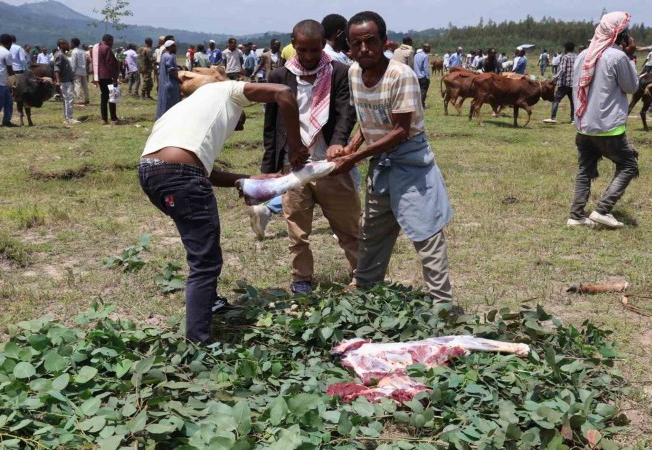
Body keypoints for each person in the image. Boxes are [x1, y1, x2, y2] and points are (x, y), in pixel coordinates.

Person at [138, 78, 308, 345]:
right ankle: (198, 343)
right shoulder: (228, 90)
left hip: (151, 174)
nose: (240, 126)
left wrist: (248, 178)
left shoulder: (186, 111)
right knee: (205, 263)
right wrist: (296, 146)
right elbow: (284, 93)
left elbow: (196, 168)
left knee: (200, 247)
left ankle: (211, 303)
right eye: (242, 119)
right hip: (181, 177)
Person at [328, 11, 456, 312]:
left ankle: (442, 304)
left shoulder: (401, 75)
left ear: (384, 42)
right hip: (379, 163)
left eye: (370, 41)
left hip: (410, 162)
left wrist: (355, 157)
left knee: (425, 232)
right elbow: (367, 118)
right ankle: (365, 289)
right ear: (349, 46)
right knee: (372, 232)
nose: (363, 49)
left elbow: (399, 131)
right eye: (356, 44)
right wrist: (351, 147)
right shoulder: (354, 73)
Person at [251, 19, 359, 293]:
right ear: (293, 45)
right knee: (297, 231)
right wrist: (269, 167)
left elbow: (346, 113)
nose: (309, 56)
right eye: (302, 50)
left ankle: (363, 276)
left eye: (314, 49)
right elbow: (271, 126)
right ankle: (301, 279)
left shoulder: (340, 72)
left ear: (323, 44)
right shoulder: (279, 77)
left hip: (330, 165)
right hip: (295, 166)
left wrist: (338, 142)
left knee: (349, 229)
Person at [568, 11, 639, 229]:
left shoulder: (583, 55)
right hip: (608, 126)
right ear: (620, 35)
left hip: (584, 125)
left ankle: (576, 216)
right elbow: (631, 86)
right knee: (628, 165)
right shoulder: (617, 57)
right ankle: (602, 210)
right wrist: (630, 57)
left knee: (585, 170)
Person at [544, 42, 576, 124]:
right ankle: (573, 119)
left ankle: (553, 117)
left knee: (556, 100)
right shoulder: (576, 57)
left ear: (566, 48)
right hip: (574, 84)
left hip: (564, 83)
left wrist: (555, 78)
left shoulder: (565, 57)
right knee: (573, 102)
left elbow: (562, 69)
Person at [95, 34, 120, 125]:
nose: (112, 43)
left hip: (99, 76)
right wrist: (115, 78)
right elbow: (110, 64)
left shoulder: (96, 48)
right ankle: (113, 118)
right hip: (108, 76)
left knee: (104, 97)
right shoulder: (107, 49)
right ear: (108, 40)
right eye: (112, 41)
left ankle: (104, 119)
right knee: (112, 97)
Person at [53, 39, 78, 125]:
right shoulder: (60, 55)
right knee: (68, 99)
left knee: (67, 99)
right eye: (66, 44)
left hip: (67, 80)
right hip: (64, 81)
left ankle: (67, 117)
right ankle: (69, 118)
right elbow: (56, 68)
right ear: (61, 45)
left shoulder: (63, 55)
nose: (68, 46)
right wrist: (58, 81)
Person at [156, 40, 180, 119]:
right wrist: (179, 80)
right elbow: (171, 72)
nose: (175, 48)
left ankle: (161, 117)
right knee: (171, 104)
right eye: (174, 46)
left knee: (163, 102)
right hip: (170, 83)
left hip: (163, 82)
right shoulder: (170, 57)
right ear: (170, 47)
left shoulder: (164, 56)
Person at [70, 38, 90, 105]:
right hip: (83, 70)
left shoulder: (74, 52)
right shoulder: (82, 51)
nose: (70, 44)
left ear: (73, 43)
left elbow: (73, 63)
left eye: (71, 43)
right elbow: (85, 61)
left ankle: (80, 99)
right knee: (85, 85)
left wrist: (72, 71)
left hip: (77, 71)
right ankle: (87, 99)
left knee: (77, 85)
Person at [413, 42, 430, 108]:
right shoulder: (425, 56)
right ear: (425, 48)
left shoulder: (416, 55)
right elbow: (426, 68)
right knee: (423, 91)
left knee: (417, 91)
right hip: (423, 77)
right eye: (428, 48)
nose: (429, 49)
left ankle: (416, 104)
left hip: (416, 76)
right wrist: (427, 78)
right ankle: (421, 105)